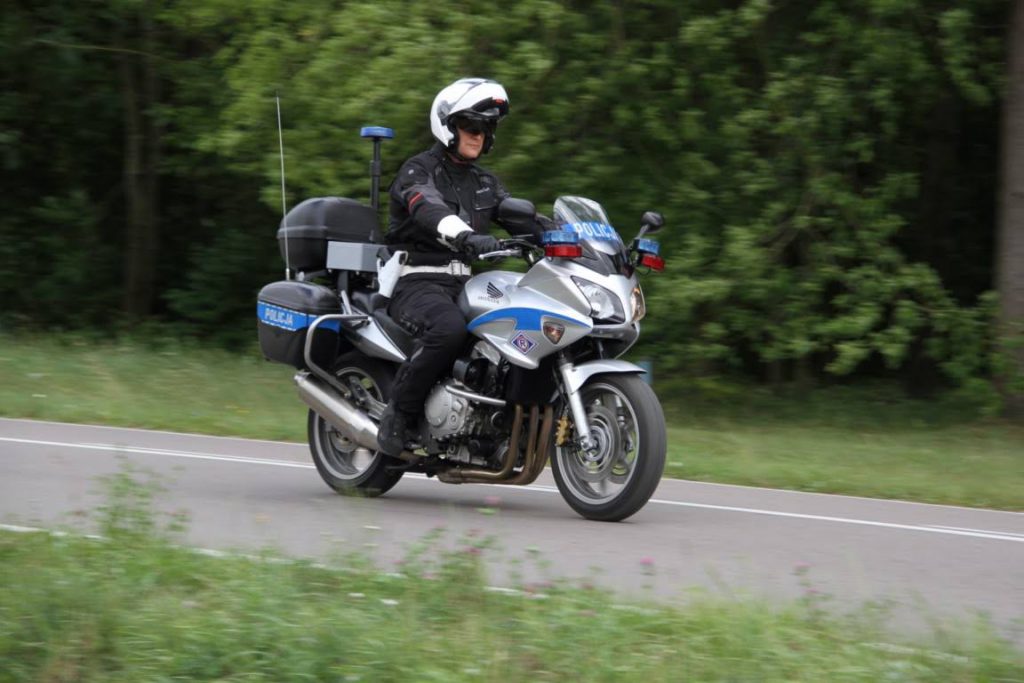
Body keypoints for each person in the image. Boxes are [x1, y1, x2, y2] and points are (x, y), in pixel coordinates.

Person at [377, 77, 540, 456]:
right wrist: (466, 236)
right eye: (470, 125)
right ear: (447, 126)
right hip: (415, 282)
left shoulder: (485, 182)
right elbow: (427, 207)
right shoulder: (418, 170)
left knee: (518, 330)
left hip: (466, 286)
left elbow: (523, 220)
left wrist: (570, 242)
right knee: (448, 329)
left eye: (487, 127)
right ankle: (398, 414)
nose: (479, 135)